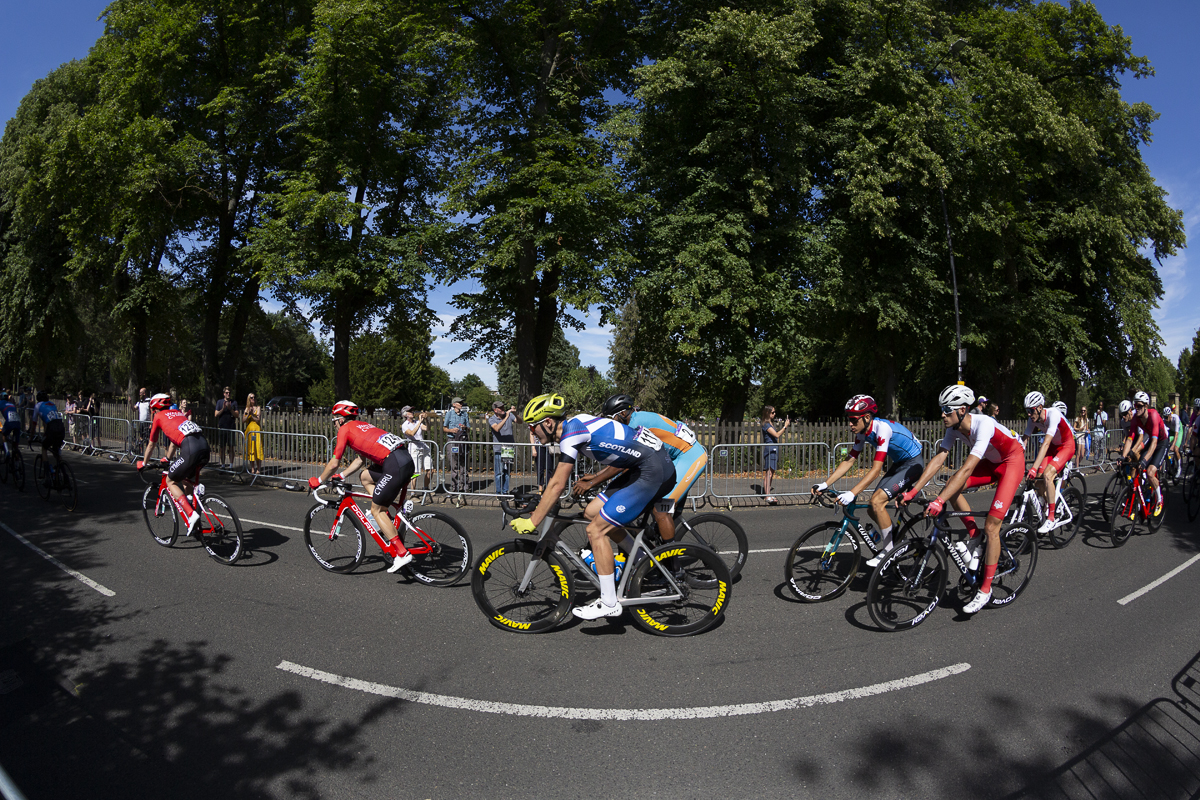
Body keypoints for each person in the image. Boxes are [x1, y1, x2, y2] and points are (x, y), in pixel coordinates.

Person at [508, 393, 676, 621]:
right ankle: (641, 562)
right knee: (591, 512)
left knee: (596, 530)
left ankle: (609, 602)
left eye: (532, 427)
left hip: (651, 470)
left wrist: (534, 520)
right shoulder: (577, 424)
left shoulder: (571, 433)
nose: (531, 432)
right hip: (642, 465)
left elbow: (558, 483)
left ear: (547, 423)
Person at [902, 384, 1025, 614]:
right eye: (942, 409)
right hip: (992, 461)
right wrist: (913, 491)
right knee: (951, 487)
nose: (942, 415)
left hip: (1011, 462)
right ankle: (973, 535)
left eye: (947, 410)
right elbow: (940, 458)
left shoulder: (984, 425)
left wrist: (939, 501)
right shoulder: (954, 427)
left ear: (962, 410)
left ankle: (985, 590)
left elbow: (967, 469)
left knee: (992, 526)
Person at [811, 395, 925, 565]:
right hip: (900, 463)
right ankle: (893, 537)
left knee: (877, 501)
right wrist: (825, 483)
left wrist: (852, 493)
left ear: (866, 417)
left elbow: (876, 469)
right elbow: (849, 460)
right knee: (873, 508)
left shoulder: (882, 429)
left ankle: (888, 553)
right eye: (848, 419)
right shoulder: (863, 432)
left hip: (913, 464)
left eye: (853, 420)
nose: (850, 424)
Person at [584, 393, 709, 546]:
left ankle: (673, 565)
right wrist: (596, 475)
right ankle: (655, 536)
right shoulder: (634, 419)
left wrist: (594, 481)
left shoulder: (636, 425)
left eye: (612, 418)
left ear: (623, 413)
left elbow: (622, 464)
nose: (611, 423)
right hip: (670, 459)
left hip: (689, 457)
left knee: (660, 509)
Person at [308, 401, 415, 572]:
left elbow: (334, 462)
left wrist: (319, 480)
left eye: (334, 420)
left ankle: (401, 553)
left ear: (341, 419)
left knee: (376, 510)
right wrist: (342, 476)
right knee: (365, 476)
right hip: (405, 459)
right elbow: (360, 460)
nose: (335, 425)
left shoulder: (345, 429)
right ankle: (386, 511)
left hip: (394, 464)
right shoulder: (362, 425)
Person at [138, 393, 210, 535]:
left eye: (153, 411)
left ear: (155, 409)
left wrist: (144, 462)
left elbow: (152, 444)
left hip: (190, 449)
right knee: (185, 480)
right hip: (204, 446)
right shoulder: (177, 413)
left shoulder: (158, 417)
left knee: (171, 481)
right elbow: (173, 442)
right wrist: (167, 458)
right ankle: (193, 510)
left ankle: (191, 515)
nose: (153, 413)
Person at [1020, 392, 1076, 533]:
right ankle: (1050, 501)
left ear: (1039, 408)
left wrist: (1033, 468)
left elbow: (1045, 444)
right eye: (1026, 411)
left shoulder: (1053, 414)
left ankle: (1051, 517)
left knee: (1047, 475)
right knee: (1038, 480)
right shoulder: (1032, 419)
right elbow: (1024, 441)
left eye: (1030, 410)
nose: (1028, 414)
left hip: (1066, 445)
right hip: (1053, 447)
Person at [1119, 391, 1167, 516]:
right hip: (1151, 441)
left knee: (1150, 472)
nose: (1137, 408)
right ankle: (1139, 505)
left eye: (1139, 406)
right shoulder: (1136, 418)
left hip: (1161, 443)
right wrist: (1122, 457)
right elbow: (1130, 439)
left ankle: (1159, 499)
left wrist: (1145, 460)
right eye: (1135, 406)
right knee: (1137, 471)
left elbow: (1155, 443)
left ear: (1146, 406)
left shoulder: (1154, 415)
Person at [30, 392, 67, 479]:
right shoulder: (52, 404)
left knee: (44, 448)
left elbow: (34, 424)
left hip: (52, 428)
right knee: (56, 451)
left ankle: (47, 474)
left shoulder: (37, 406)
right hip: (61, 427)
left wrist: (30, 437)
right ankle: (65, 474)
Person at [761, 405, 790, 504]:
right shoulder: (766, 424)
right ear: (768, 413)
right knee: (768, 473)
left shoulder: (770, 423)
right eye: (772, 412)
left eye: (774, 412)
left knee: (771, 473)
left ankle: (768, 494)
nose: (774, 414)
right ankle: (767, 495)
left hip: (773, 449)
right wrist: (785, 426)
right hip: (770, 450)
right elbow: (777, 435)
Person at [487, 400, 516, 495]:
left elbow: (519, 421)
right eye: (500, 408)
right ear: (495, 410)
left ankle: (505, 491)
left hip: (509, 449)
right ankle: (499, 492)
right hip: (499, 449)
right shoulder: (492, 419)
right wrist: (506, 417)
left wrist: (515, 413)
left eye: (503, 407)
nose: (503, 409)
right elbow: (496, 428)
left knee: (507, 472)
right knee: (499, 473)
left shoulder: (510, 415)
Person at [442, 397, 470, 494]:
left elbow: (469, 429)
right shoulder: (449, 414)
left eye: (462, 402)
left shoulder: (465, 414)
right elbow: (444, 428)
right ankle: (455, 486)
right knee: (454, 463)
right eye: (459, 402)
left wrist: (465, 427)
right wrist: (451, 430)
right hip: (452, 440)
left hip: (462, 441)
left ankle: (465, 485)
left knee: (464, 463)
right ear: (454, 404)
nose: (461, 404)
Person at [401, 407, 433, 491]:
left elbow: (428, 429)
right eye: (410, 411)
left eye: (412, 411)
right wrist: (420, 422)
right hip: (414, 448)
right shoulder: (405, 425)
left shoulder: (416, 422)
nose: (412, 412)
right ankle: (413, 493)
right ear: (405, 414)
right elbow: (411, 433)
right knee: (415, 472)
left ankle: (426, 488)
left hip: (423, 447)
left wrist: (426, 420)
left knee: (430, 470)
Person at [214, 386, 239, 468]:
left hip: (231, 427)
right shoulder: (219, 402)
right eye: (227, 393)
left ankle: (231, 465)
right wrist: (223, 408)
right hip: (222, 427)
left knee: (231, 447)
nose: (228, 394)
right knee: (222, 448)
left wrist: (230, 409)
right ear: (224, 394)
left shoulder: (234, 402)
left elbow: (237, 415)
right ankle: (223, 464)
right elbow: (216, 414)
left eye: (229, 393)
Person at [243, 393, 264, 475]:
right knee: (251, 449)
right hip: (249, 431)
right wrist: (248, 413)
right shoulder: (247, 409)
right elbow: (243, 420)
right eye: (251, 398)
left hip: (257, 430)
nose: (253, 399)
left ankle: (258, 468)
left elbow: (258, 420)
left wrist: (252, 414)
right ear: (249, 399)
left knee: (258, 448)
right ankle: (252, 468)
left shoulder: (258, 408)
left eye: (254, 397)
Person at [1163, 404, 1183, 480]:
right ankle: (1170, 462)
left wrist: (1173, 445)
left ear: (1170, 415)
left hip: (1178, 432)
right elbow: (1164, 434)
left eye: (1167, 417)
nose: (1165, 419)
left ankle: (1179, 468)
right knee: (1165, 447)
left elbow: (1176, 434)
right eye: (1164, 417)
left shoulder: (1176, 418)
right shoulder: (1164, 421)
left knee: (1176, 449)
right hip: (1171, 432)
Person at [1, 392, 22, 458]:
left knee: (4, 434)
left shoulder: (1, 402)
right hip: (18, 420)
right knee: (15, 445)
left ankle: (7, 451)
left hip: (10, 420)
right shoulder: (11, 403)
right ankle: (17, 464)